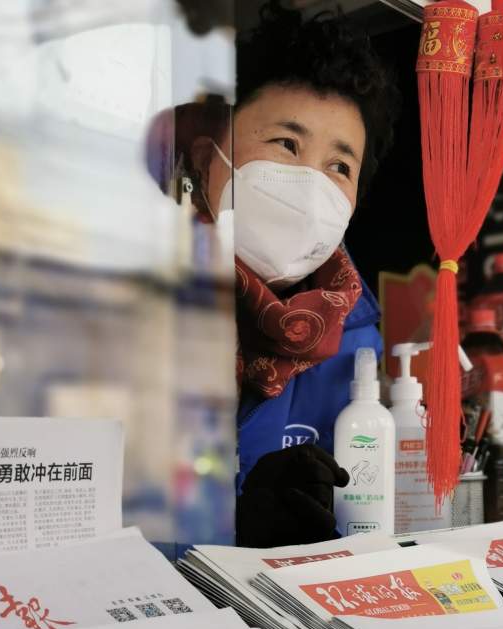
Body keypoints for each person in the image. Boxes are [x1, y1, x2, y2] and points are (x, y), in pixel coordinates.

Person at [192, 3, 399, 546]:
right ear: (210, 155)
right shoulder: (140, 302)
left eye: (339, 167)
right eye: (287, 144)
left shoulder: (354, 343)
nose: (311, 186)